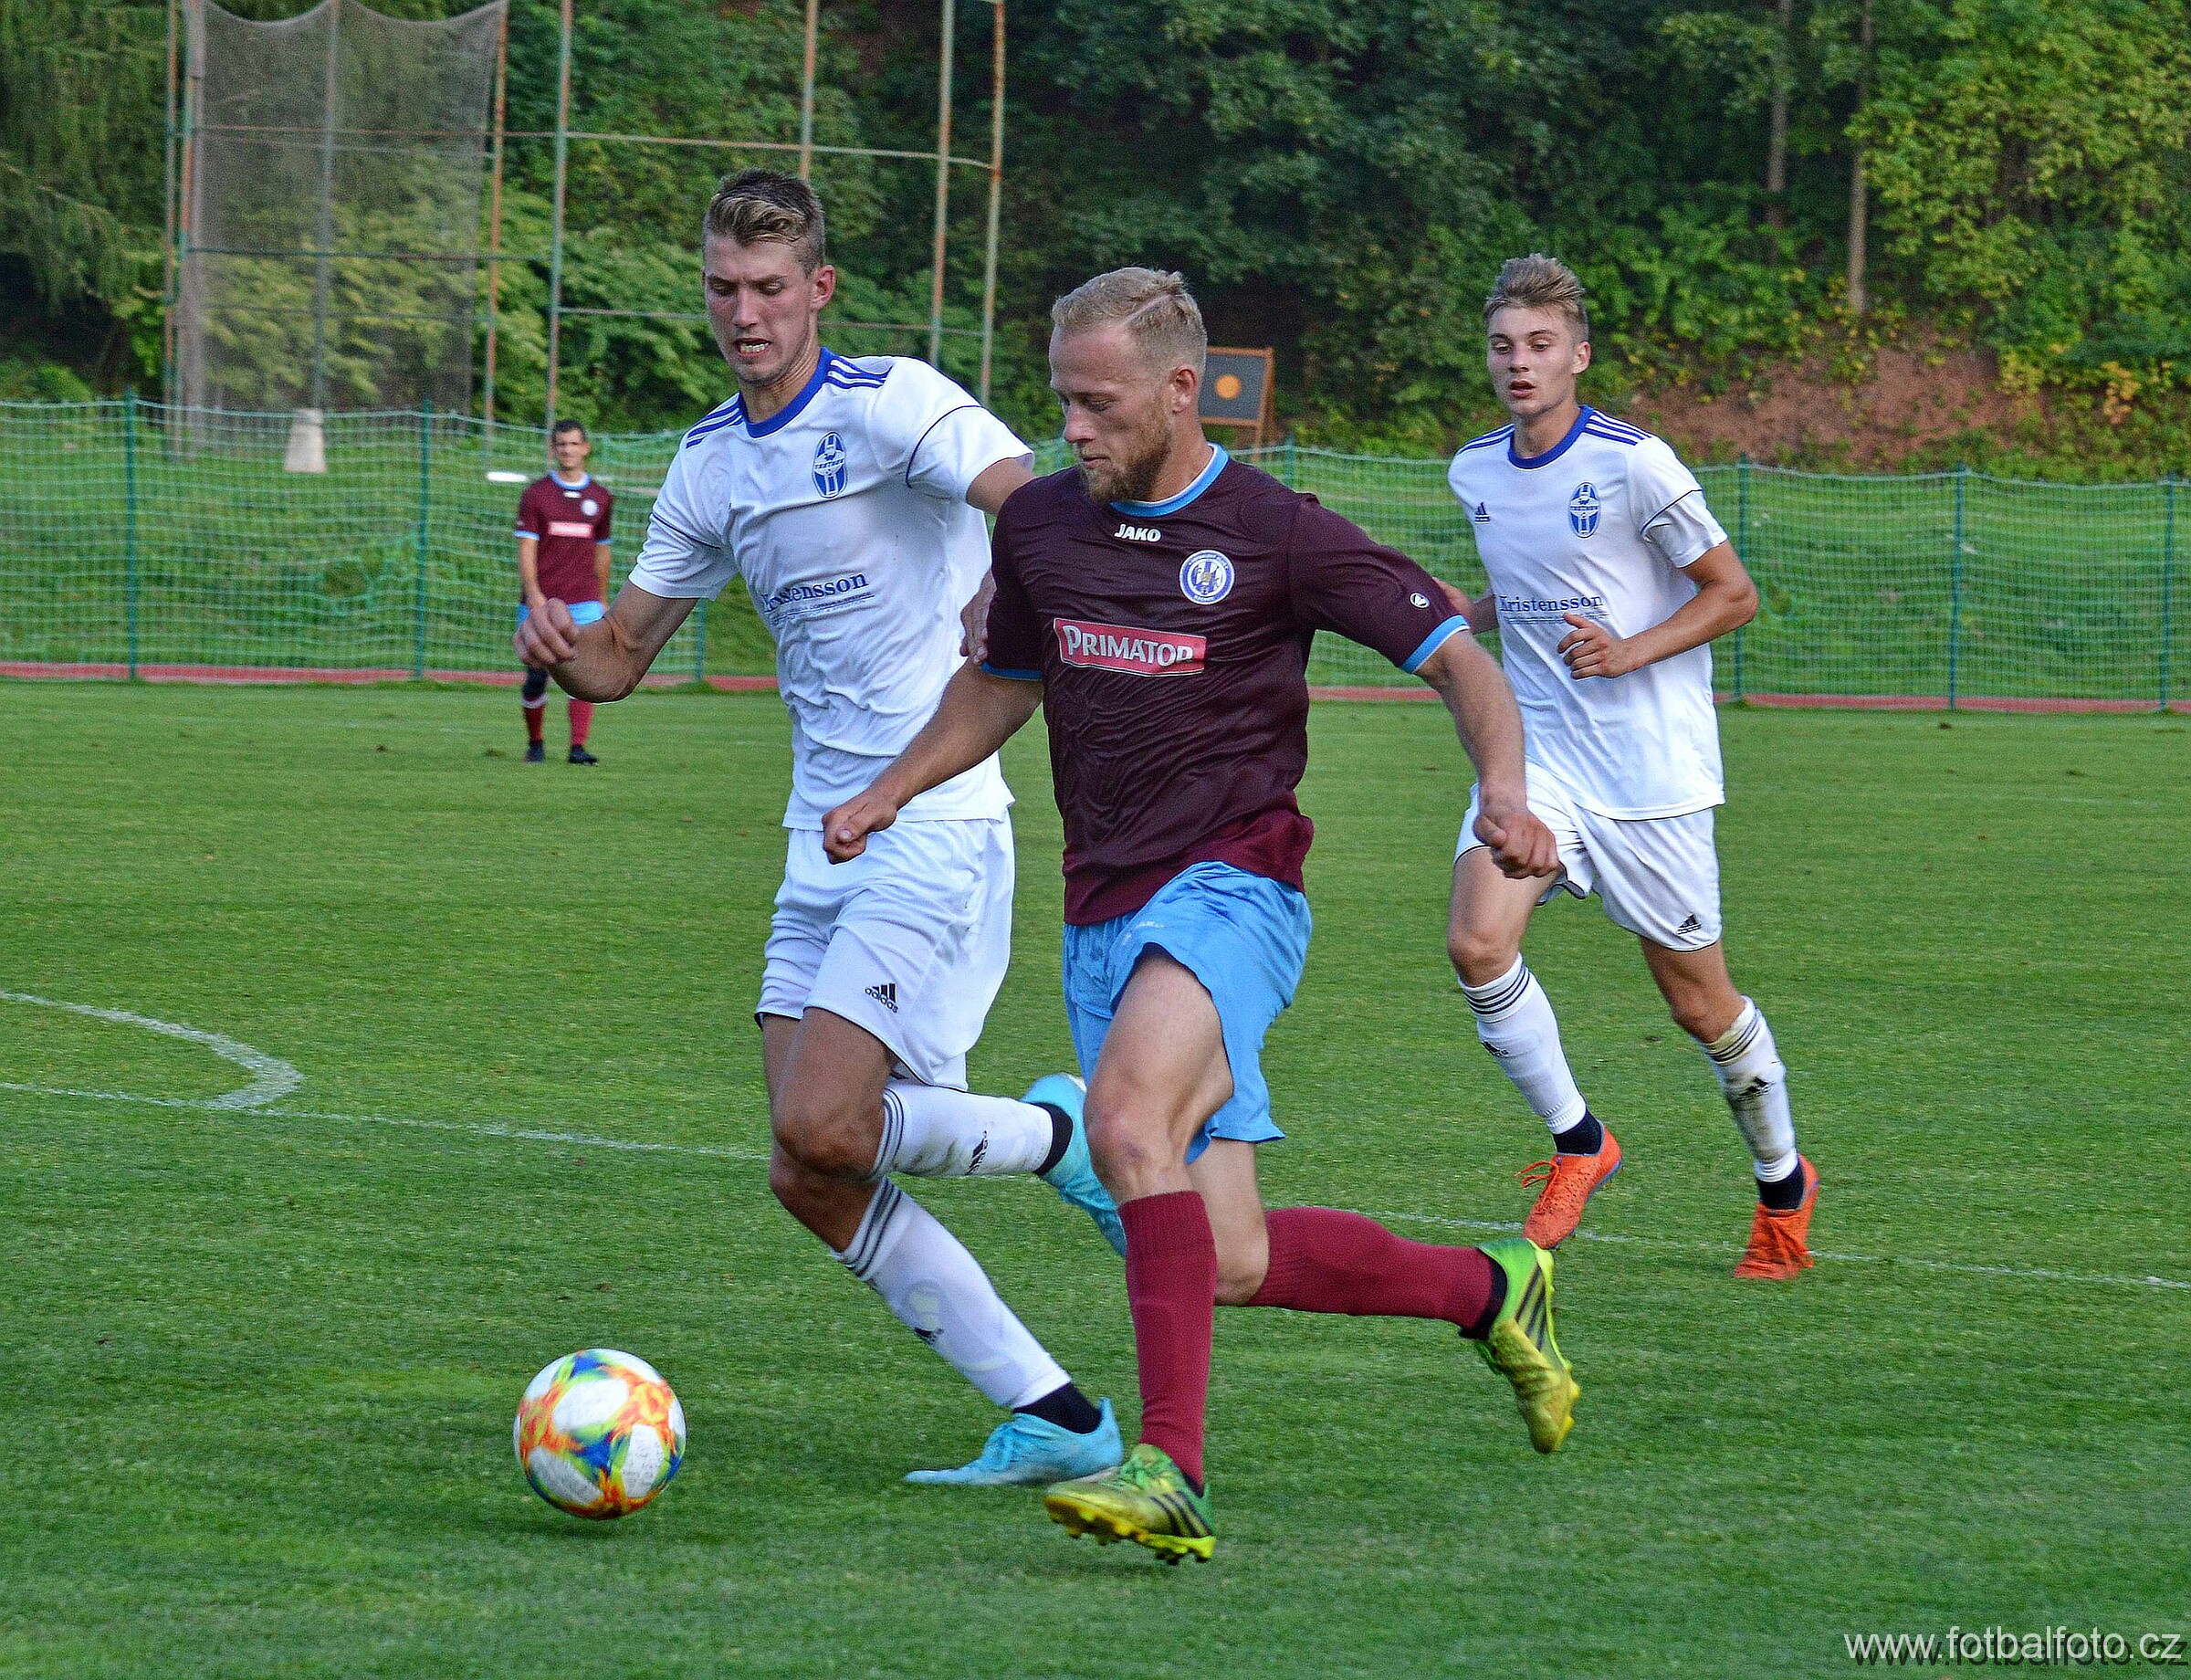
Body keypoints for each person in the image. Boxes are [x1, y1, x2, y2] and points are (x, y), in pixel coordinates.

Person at [823, 267, 1578, 1565]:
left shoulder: (1279, 530)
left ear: (1183, 390)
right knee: (1226, 1255)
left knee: (1121, 1121)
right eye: (1063, 401)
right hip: (1101, 908)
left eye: (1100, 404)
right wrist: (892, 787)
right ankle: (1489, 1285)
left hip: (1236, 884)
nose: (1074, 429)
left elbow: (1462, 660)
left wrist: (1504, 792)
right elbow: (1004, 681)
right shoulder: (1042, 526)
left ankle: (1170, 1469)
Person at [514, 169, 1124, 1486]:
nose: (746, 313)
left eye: (770, 288)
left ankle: (1058, 1139)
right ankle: (1057, 1414)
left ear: (819, 290)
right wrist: (564, 652)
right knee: (809, 1169)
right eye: (723, 289)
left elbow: (1036, 500)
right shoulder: (709, 463)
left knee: (835, 1125)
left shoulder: (894, 402)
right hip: (822, 838)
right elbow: (622, 657)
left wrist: (1015, 589)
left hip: (936, 813)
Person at [1443, 253, 1819, 1277]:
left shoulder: (1636, 462)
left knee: (1699, 1006)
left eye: (1540, 345)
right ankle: (1581, 1143)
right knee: (1477, 943)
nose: (1519, 363)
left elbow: (1733, 593)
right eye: (1503, 346)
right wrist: (1465, 611)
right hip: (1539, 764)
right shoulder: (1475, 470)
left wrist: (1629, 651)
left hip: (1652, 781)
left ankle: (1781, 1181)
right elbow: (1532, 588)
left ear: (1579, 356)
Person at [515, 420, 613, 764]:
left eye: (573, 444)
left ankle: (578, 748)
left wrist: (602, 598)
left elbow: (602, 552)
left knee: (582, 675)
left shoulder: (601, 498)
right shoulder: (536, 495)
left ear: (585, 448)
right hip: (542, 601)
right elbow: (526, 548)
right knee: (536, 677)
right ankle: (536, 744)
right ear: (553, 449)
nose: (567, 450)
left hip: (584, 602)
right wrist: (533, 594)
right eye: (561, 445)